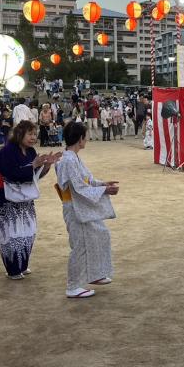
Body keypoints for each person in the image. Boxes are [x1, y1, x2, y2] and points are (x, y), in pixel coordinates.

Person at [56, 122, 119, 299]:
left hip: (81, 204)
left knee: (101, 234)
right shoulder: (68, 159)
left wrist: (102, 184)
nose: (87, 139)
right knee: (80, 246)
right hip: (75, 206)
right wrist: (104, 190)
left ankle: (96, 273)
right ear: (80, 139)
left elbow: (86, 179)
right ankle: (73, 285)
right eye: (86, 136)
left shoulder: (71, 157)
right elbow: (78, 188)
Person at [0, 121, 60, 279]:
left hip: (25, 197)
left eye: (35, 134)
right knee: (11, 232)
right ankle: (13, 269)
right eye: (30, 134)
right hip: (7, 196)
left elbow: (34, 176)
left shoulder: (30, 151)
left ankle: (22, 264)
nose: (33, 137)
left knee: (28, 230)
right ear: (19, 134)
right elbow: (11, 173)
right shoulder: (7, 151)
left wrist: (46, 166)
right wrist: (32, 165)